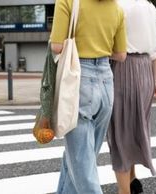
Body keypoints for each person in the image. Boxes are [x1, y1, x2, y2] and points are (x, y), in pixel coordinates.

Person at [50, 0, 127, 193]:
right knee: (81, 157)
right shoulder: (117, 8)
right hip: (106, 82)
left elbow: (57, 46)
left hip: (78, 80)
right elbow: (121, 54)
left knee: (82, 164)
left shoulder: (68, 1)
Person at [107, 0, 156, 193]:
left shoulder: (117, 6)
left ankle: (125, 191)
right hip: (146, 70)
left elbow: (111, 44)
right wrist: (154, 80)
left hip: (123, 69)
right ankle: (133, 181)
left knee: (120, 132)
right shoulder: (150, 8)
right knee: (137, 128)